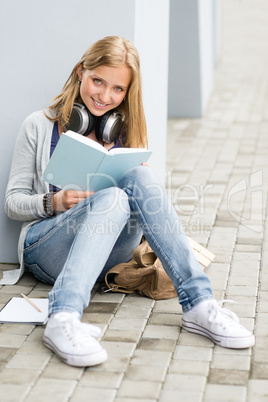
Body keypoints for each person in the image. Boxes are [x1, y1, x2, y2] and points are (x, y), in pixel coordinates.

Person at [4, 36, 255, 367]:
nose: (105, 97)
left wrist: (140, 191)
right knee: (113, 196)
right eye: (97, 82)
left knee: (139, 179)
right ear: (81, 72)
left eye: (118, 90)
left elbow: (135, 202)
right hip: (47, 249)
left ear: (127, 93)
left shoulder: (120, 132)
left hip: (105, 254)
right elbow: (13, 202)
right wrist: (55, 201)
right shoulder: (39, 125)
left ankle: (198, 305)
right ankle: (63, 317)